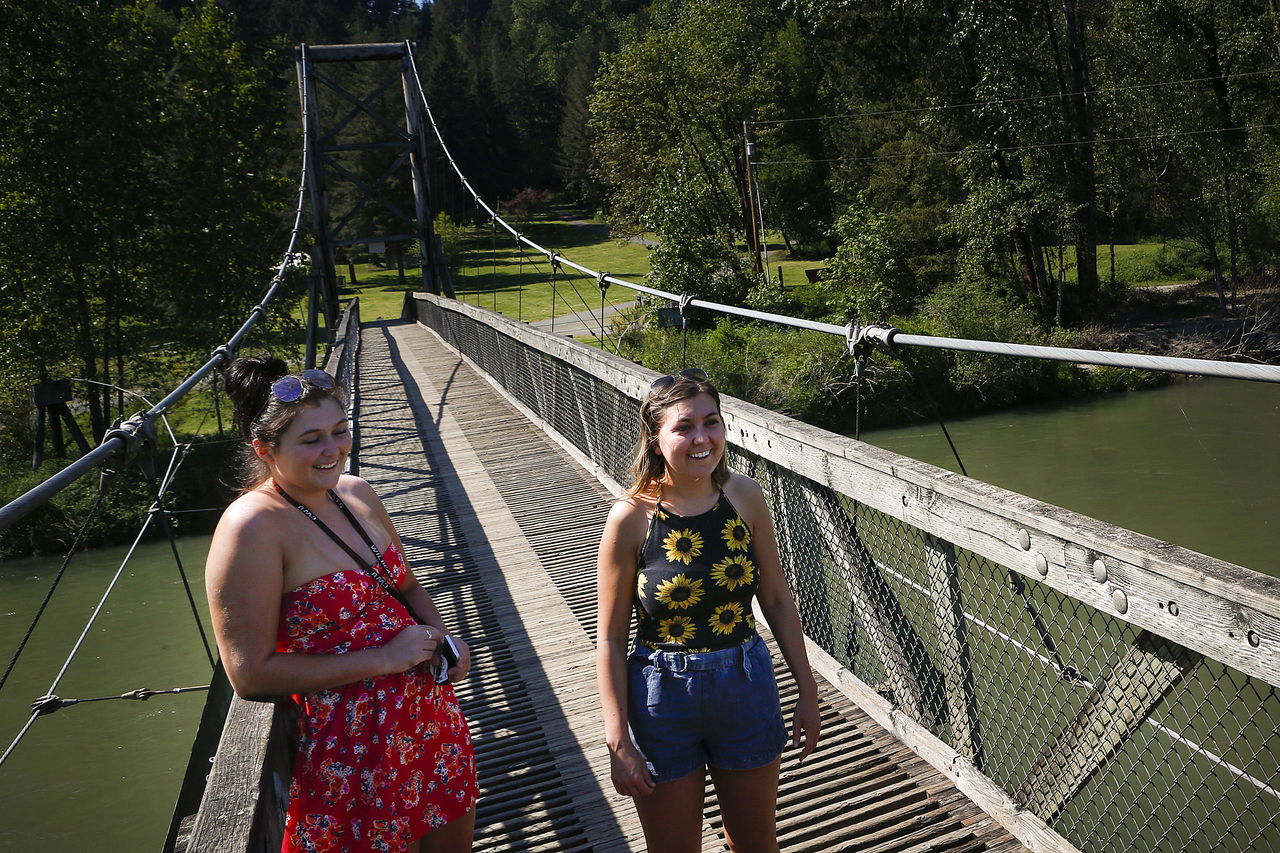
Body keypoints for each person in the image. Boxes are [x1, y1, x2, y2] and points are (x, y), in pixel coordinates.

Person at [205, 356, 478, 853]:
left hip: (430, 722)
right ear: (265, 449)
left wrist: (444, 640)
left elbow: (410, 588)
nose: (333, 450)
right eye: (311, 440)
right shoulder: (252, 528)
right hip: (351, 753)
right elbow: (249, 675)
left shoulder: (355, 492)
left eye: (340, 430)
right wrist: (384, 658)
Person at [595, 367, 822, 853]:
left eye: (711, 422)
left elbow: (777, 599)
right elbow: (611, 638)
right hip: (662, 696)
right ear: (656, 440)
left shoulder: (746, 497)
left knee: (757, 843)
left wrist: (807, 689)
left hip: (744, 682)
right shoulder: (632, 517)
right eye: (683, 427)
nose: (702, 438)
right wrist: (618, 742)